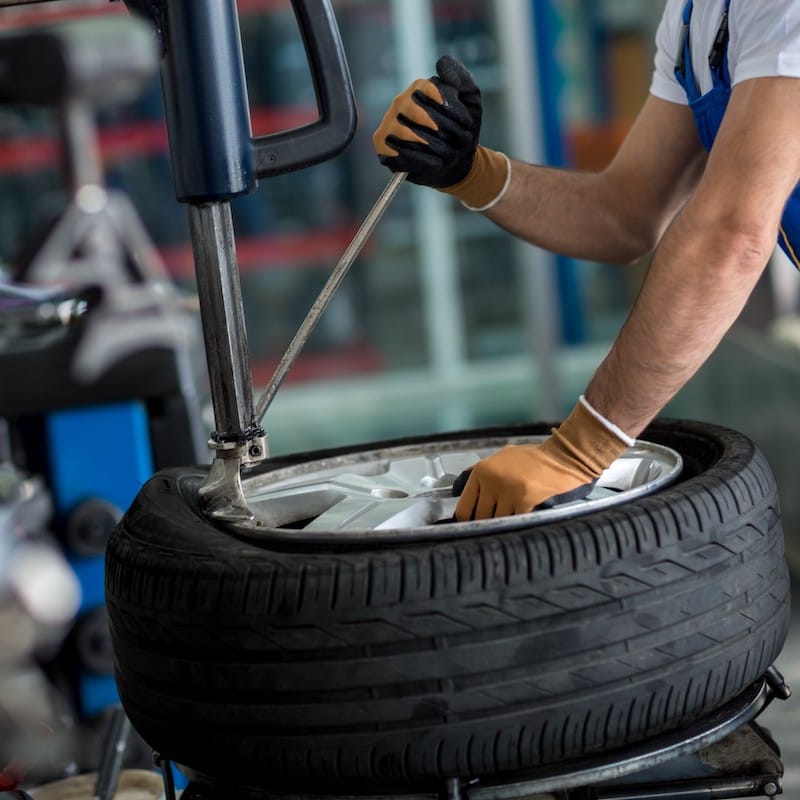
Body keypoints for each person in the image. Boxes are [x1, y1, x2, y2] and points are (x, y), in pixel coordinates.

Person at [372, 0, 800, 522]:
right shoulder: (694, 18)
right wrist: (469, 169)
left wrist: (578, 452)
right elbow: (622, 214)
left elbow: (732, 232)